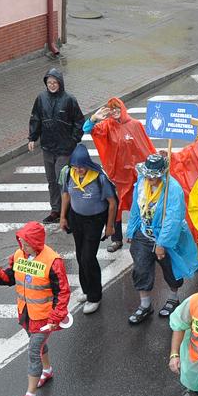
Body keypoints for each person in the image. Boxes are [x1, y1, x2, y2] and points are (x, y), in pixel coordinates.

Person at [0, 221, 70, 396]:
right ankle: (47, 370)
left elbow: (63, 292)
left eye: (26, 243)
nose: (22, 246)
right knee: (38, 345)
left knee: (33, 351)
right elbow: (9, 278)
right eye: (21, 242)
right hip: (26, 313)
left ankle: (30, 395)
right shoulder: (19, 256)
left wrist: (54, 319)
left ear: (36, 242)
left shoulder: (53, 261)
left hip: (44, 318)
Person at [126, 154, 198, 324]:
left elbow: (173, 219)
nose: (151, 178)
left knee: (171, 270)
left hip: (167, 237)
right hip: (144, 234)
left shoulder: (173, 189)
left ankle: (173, 298)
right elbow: (136, 208)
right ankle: (145, 305)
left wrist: (163, 244)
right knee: (140, 269)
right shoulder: (142, 182)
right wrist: (131, 231)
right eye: (148, 175)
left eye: (155, 175)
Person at [84, 97, 155, 253]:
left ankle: (143, 236)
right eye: (112, 109)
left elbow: (145, 147)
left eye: (117, 108)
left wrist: (153, 166)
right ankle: (116, 240)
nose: (115, 112)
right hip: (115, 177)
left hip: (136, 177)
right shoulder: (107, 126)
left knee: (141, 206)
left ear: (122, 108)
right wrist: (94, 119)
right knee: (114, 207)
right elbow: (87, 129)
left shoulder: (135, 125)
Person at [59, 145, 117, 314]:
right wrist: (63, 217)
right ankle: (87, 289)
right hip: (77, 218)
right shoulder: (68, 174)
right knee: (79, 255)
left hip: (95, 220)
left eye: (82, 167)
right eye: (76, 167)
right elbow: (65, 195)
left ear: (88, 163)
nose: (79, 170)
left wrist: (110, 226)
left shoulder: (99, 177)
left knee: (88, 257)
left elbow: (112, 202)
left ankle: (95, 296)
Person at [28, 68, 85, 223]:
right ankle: (55, 210)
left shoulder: (69, 99)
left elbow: (79, 121)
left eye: (55, 82)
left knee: (63, 181)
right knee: (52, 181)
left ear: (60, 83)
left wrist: (73, 140)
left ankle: (67, 212)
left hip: (64, 149)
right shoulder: (41, 98)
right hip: (47, 147)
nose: (52, 85)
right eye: (49, 82)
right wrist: (32, 137)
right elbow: (36, 118)